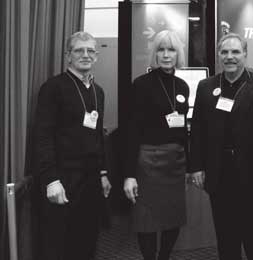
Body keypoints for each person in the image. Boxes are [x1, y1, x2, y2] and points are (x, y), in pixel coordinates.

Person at [189, 33, 253, 260]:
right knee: (226, 238)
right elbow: (197, 129)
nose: (230, 57)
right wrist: (196, 166)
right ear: (218, 55)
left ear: (245, 54)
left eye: (235, 52)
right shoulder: (206, 86)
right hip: (219, 172)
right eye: (224, 52)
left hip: (252, 172)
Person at [34, 31, 112, 260]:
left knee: (87, 241)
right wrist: (51, 180)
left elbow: (98, 137)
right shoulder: (53, 88)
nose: (85, 55)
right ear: (68, 56)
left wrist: (103, 173)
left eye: (90, 51)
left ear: (96, 56)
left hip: (90, 180)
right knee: (60, 245)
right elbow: (43, 136)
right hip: (63, 180)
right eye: (79, 50)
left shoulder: (98, 91)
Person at [122, 30, 189, 260]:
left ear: (178, 53)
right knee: (146, 220)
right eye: (161, 49)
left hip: (175, 163)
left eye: (171, 49)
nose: (166, 55)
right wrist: (129, 174)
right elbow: (131, 131)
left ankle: (164, 257)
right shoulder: (140, 84)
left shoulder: (182, 86)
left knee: (173, 217)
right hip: (148, 161)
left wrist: (189, 165)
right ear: (155, 54)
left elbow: (182, 131)